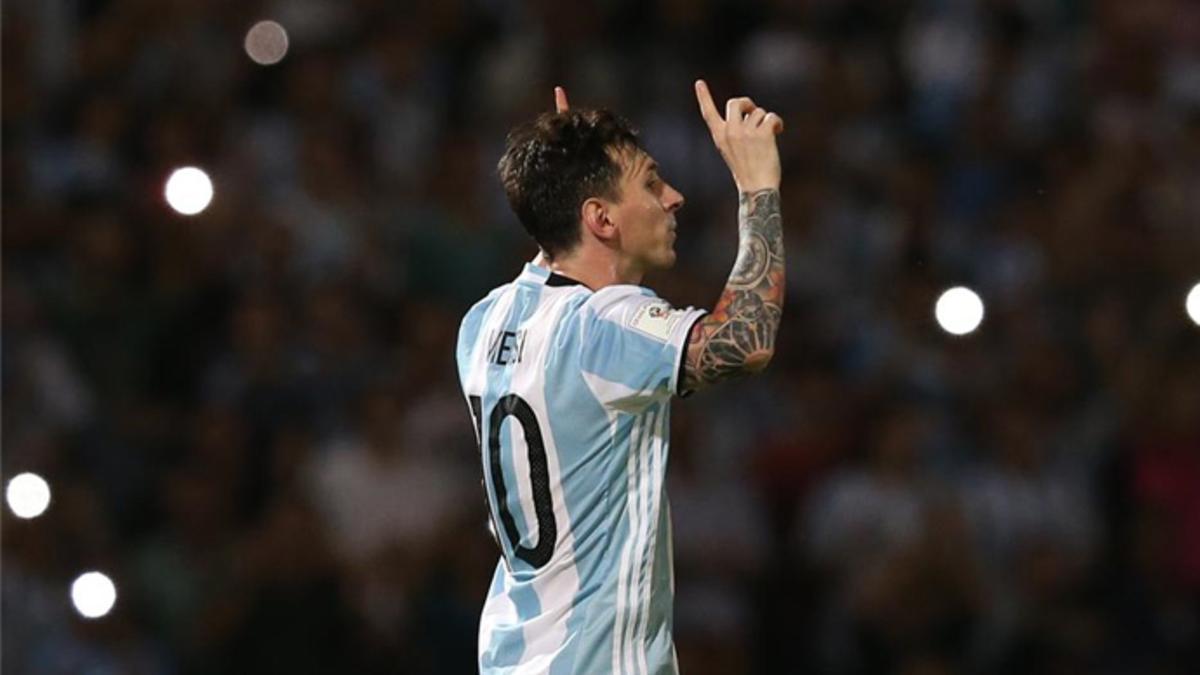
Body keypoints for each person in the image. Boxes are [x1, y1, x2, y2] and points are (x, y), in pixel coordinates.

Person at [455, 80, 785, 674]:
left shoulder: (482, 322)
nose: (674, 197)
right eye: (652, 183)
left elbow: (554, 261)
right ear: (601, 218)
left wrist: (559, 171)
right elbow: (746, 342)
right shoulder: (607, 325)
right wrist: (758, 188)